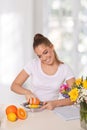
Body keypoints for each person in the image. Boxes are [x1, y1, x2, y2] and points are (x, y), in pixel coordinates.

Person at [11, 33, 75, 110]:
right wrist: (27, 92)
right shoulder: (33, 64)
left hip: (52, 110)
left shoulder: (65, 68)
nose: (44, 58)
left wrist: (55, 103)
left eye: (45, 52)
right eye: (40, 56)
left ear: (52, 47)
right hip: (33, 109)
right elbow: (14, 86)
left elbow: (74, 98)